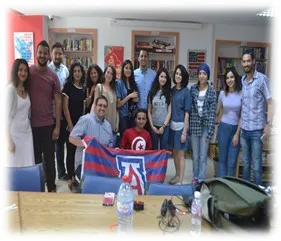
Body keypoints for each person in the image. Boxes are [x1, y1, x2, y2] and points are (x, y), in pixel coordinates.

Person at [29, 40, 62, 192]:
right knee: (35, 161)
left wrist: (57, 127)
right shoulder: (28, 73)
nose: (42, 55)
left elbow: (58, 101)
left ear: (49, 55)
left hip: (48, 125)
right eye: (40, 52)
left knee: (50, 160)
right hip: (31, 126)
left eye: (45, 53)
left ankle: (52, 189)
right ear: (36, 54)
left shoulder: (53, 76)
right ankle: (38, 189)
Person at [240, 49, 273, 185]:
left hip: (257, 130)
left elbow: (271, 102)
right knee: (246, 164)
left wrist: (269, 124)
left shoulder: (262, 79)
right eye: (244, 61)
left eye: (248, 61)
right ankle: (247, 193)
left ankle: (259, 195)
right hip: (244, 130)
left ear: (253, 61)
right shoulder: (242, 81)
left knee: (257, 165)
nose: (246, 64)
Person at [69, 96, 113, 179]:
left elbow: (110, 148)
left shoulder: (108, 127)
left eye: (104, 106)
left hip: (101, 165)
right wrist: (87, 143)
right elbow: (71, 138)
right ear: (95, 106)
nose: (102, 108)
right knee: (92, 186)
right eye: (100, 105)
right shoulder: (86, 119)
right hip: (84, 164)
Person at [189, 63, 216, 184]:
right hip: (194, 125)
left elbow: (212, 112)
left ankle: (201, 179)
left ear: (207, 75)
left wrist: (210, 131)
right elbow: (190, 109)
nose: (202, 76)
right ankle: (195, 177)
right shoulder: (193, 89)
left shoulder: (212, 91)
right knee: (195, 155)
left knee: (202, 155)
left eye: (204, 73)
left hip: (205, 126)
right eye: (200, 73)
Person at [62, 62, 86, 192]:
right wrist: (71, 125)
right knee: (70, 152)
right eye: (75, 71)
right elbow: (65, 107)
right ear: (72, 73)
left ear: (82, 73)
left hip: (79, 124)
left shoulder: (83, 87)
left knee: (77, 152)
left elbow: (82, 107)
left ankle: (75, 176)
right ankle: (70, 179)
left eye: (79, 71)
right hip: (70, 125)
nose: (77, 73)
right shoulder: (68, 86)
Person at [7, 58, 35, 167]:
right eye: (20, 70)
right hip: (14, 134)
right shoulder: (10, 89)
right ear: (15, 71)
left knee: (28, 164)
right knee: (16, 166)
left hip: (27, 133)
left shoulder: (26, 89)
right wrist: (9, 141)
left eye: (25, 70)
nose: (23, 73)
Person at [48, 42, 69, 180]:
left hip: (62, 114)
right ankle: (49, 175)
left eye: (60, 53)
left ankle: (61, 172)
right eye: (55, 53)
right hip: (50, 113)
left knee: (60, 145)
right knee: (50, 147)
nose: (57, 56)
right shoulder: (47, 70)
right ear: (51, 54)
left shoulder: (65, 70)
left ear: (63, 54)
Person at [216, 67, 242, 177]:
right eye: (227, 78)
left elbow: (243, 116)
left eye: (231, 77)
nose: (229, 80)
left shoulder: (242, 93)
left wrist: (237, 134)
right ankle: (222, 186)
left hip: (236, 130)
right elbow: (217, 111)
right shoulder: (222, 94)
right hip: (223, 128)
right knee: (222, 161)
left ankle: (230, 187)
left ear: (235, 78)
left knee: (232, 163)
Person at [168, 65, 191, 185]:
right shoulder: (172, 90)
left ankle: (181, 181)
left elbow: (187, 113)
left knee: (181, 154)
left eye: (180, 74)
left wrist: (184, 132)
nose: (178, 76)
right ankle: (177, 176)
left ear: (184, 77)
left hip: (181, 126)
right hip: (172, 126)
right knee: (175, 153)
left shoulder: (186, 91)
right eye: (176, 73)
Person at [91, 65, 119, 147]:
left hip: (113, 126)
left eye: (112, 74)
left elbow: (115, 108)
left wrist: (117, 122)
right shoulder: (100, 87)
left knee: (110, 153)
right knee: (101, 153)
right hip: (102, 125)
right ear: (104, 73)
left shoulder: (114, 89)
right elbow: (95, 105)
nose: (109, 75)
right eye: (108, 72)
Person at [147, 67, 171, 150]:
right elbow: (149, 111)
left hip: (165, 126)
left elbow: (169, 112)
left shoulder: (169, 93)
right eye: (161, 76)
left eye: (165, 77)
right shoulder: (151, 92)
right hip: (154, 126)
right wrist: (152, 126)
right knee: (154, 151)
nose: (163, 79)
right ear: (158, 77)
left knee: (163, 151)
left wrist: (163, 126)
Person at [116, 59, 139, 138]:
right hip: (124, 116)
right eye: (126, 68)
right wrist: (129, 96)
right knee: (124, 140)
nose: (128, 70)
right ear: (123, 69)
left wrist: (136, 99)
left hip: (133, 116)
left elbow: (136, 99)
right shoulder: (119, 83)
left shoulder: (133, 83)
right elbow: (118, 105)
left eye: (130, 68)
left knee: (132, 139)